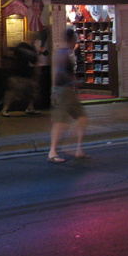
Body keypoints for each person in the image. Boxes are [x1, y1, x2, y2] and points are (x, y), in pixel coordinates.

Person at [48, 27, 88, 163]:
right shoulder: (62, 53)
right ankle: (53, 152)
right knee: (60, 122)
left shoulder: (65, 52)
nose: (76, 42)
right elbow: (61, 72)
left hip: (67, 90)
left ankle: (77, 149)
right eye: (75, 40)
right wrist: (74, 81)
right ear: (70, 39)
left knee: (81, 118)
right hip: (63, 90)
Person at [1, 41, 41, 116]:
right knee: (33, 91)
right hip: (25, 75)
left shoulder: (20, 46)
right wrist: (37, 76)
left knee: (12, 93)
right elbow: (36, 65)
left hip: (15, 74)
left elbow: (9, 55)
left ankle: (5, 109)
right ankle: (30, 108)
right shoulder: (31, 51)